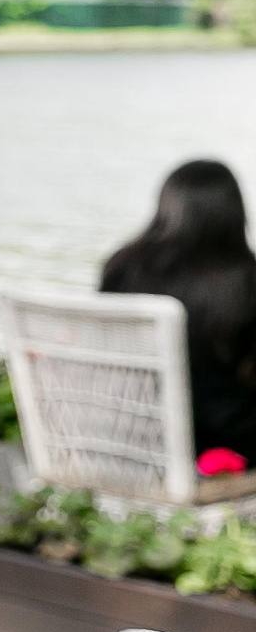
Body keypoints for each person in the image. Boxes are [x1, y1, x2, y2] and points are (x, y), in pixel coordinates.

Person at [102, 158, 256, 462]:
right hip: (218, 447)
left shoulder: (121, 266)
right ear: (234, 213)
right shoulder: (246, 281)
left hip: (128, 438)